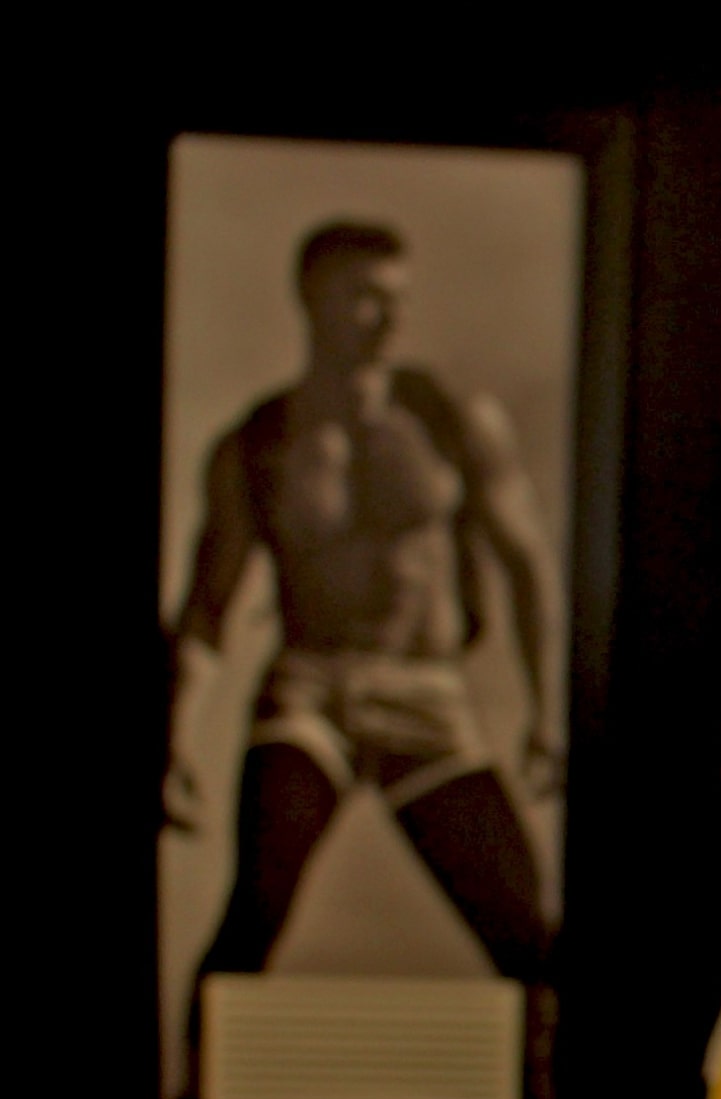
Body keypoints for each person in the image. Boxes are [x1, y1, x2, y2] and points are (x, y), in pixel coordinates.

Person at [166, 220, 558, 992]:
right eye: (365, 297)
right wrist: (173, 736)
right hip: (311, 690)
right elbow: (208, 607)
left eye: (398, 299)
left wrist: (549, 713)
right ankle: (189, 1076)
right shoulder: (260, 441)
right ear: (312, 299)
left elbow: (528, 565)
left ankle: (553, 1078)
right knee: (254, 914)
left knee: (526, 933)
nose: (388, 320)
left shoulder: (445, 418)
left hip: (426, 694)